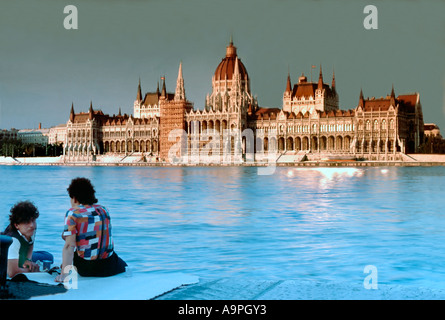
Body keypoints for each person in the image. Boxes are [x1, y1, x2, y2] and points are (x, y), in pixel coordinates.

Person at [55, 177, 127, 282]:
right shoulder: (103, 210)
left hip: (87, 268)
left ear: (74, 198)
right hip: (110, 266)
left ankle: (64, 270)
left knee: (70, 248)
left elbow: (69, 246)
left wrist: (64, 275)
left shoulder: (73, 213)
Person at [2, 201, 53, 278]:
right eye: (26, 222)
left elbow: (31, 243)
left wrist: (28, 259)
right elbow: (12, 273)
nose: (31, 225)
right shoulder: (13, 240)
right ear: (16, 225)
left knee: (48, 257)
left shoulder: (31, 228)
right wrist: (32, 271)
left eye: (33, 220)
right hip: (7, 257)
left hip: (20, 252)